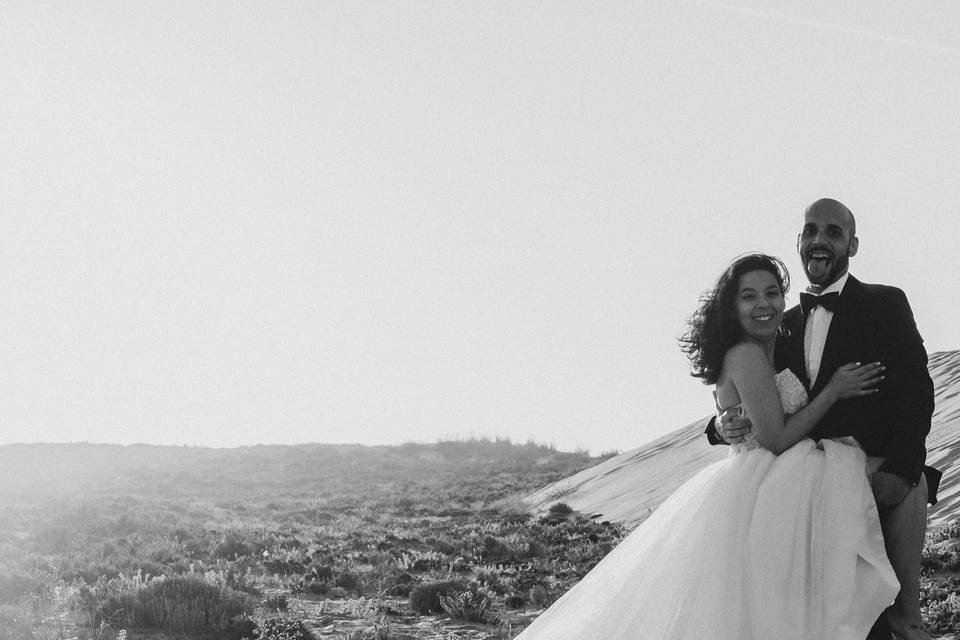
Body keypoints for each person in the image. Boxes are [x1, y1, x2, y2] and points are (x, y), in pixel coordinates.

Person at [513, 253, 897, 640]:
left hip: (771, 484)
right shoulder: (746, 354)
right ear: (731, 308)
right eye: (748, 297)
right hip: (763, 487)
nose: (763, 304)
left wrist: (720, 422)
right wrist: (833, 391)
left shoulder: (776, 346)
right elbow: (777, 438)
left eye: (771, 293)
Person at [708, 199, 938, 640]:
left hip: (868, 473)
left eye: (833, 232)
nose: (819, 240)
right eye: (810, 230)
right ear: (799, 241)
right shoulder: (781, 323)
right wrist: (717, 428)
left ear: (852, 244)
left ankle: (909, 620)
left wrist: (903, 467)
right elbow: (749, 400)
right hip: (795, 485)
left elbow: (917, 391)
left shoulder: (885, 303)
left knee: (873, 608)